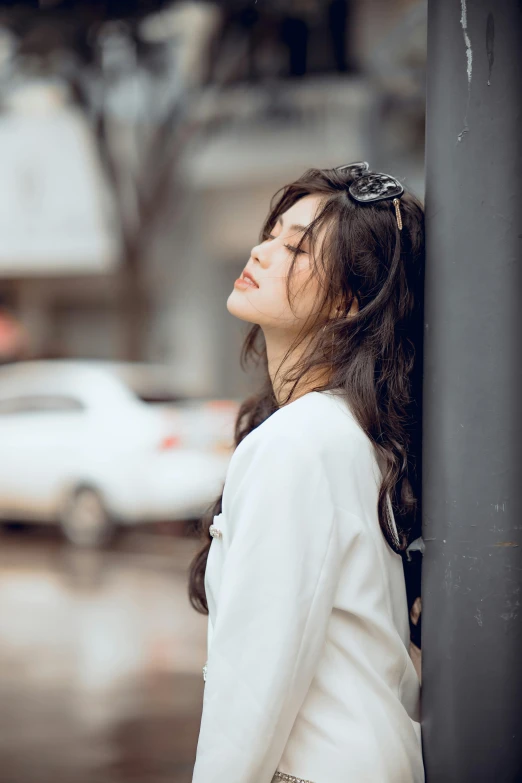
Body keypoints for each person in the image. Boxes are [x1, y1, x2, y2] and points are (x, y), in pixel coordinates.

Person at [188, 162, 425, 783]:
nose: (262, 252)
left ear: (351, 300)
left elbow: (253, 683)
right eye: (272, 234)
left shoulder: (296, 444)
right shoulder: (351, 434)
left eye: (296, 247)